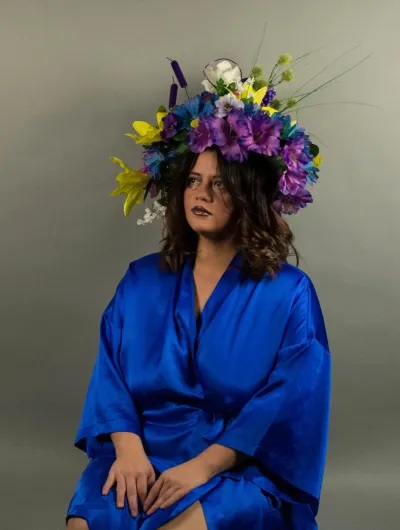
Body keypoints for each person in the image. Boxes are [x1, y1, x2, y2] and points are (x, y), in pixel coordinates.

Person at [66, 58, 331, 530]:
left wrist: (202, 467)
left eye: (219, 184)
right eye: (193, 180)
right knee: (89, 522)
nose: (200, 194)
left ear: (249, 196)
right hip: (140, 452)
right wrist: (127, 450)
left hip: (237, 465)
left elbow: (287, 402)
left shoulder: (289, 293)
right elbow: (111, 377)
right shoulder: (141, 280)